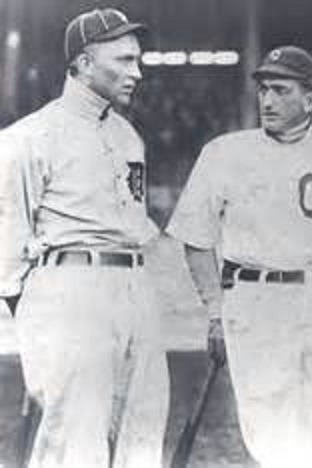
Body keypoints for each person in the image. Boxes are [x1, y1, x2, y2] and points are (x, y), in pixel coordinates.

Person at [167, 45, 312, 468]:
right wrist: (215, 311)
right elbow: (195, 238)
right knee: (269, 434)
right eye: (264, 89)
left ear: (311, 99)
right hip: (256, 297)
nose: (267, 100)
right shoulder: (224, 154)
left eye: (281, 90)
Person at [0, 9, 169, 468]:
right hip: (70, 290)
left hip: (134, 286)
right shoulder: (27, 138)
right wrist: (38, 316)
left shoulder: (129, 135)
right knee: (77, 442)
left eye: (138, 60)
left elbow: (135, 223)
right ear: (84, 63)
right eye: (125, 60)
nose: (137, 72)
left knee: (142, 431)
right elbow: (7, 243)